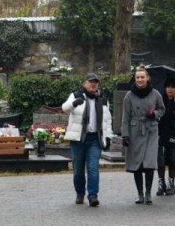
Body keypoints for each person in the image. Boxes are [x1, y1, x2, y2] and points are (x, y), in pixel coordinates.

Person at [62, 72, 113, 207]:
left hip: (95, 139)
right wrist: (74, 103)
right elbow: (64, 108)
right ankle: (80, 193)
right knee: (78, 169)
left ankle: (93, 195)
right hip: (78, 139)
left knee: (93, 167)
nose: (93, 84)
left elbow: (107, 120)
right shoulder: (76, 95)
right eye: (91, 82)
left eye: (95, 82)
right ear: (84, 83)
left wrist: (108, 136)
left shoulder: (103, 99)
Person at [121, 65, 166, 204]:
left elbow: (162, 109)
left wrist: (155, 114)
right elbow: (125, 117)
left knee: (149, 162)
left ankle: (148, 193)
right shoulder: (129, 95)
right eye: (137, 77)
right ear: (135, 79)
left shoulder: (155, 94)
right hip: (135, 131)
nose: (140, 79)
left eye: (142, 77)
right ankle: (140, 194)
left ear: (147, 78)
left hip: (151, 130)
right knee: (137, 164)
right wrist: (125, 135)